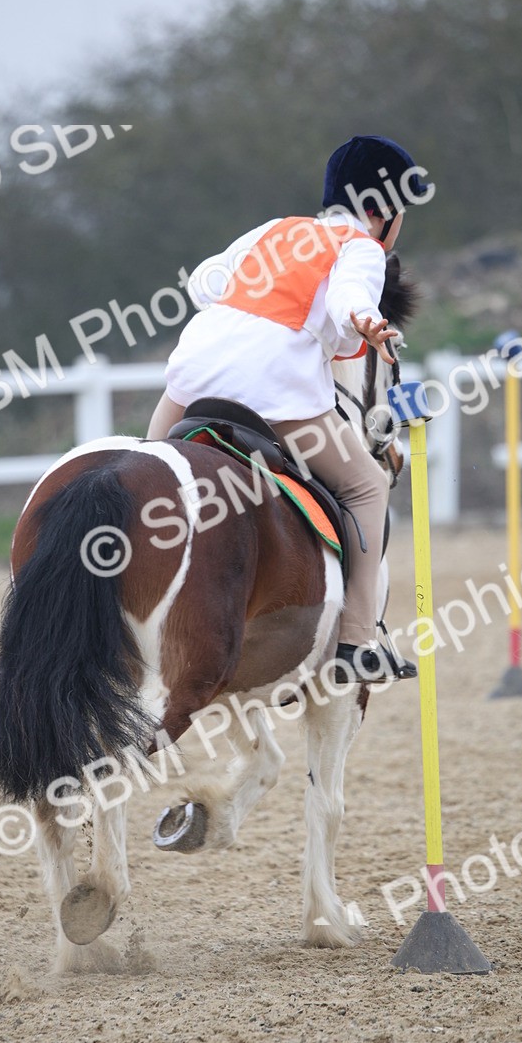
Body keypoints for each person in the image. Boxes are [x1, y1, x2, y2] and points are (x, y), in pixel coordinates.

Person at [147, 135, 431, 681]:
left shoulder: (276, 229)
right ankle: (357, 644)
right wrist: (364, 320)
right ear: (384, 212)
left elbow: (208, 281)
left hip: (192, 372)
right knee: (368, 487)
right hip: (273, 386)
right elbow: (350, 296)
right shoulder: (364, 249)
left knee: (150, 473)